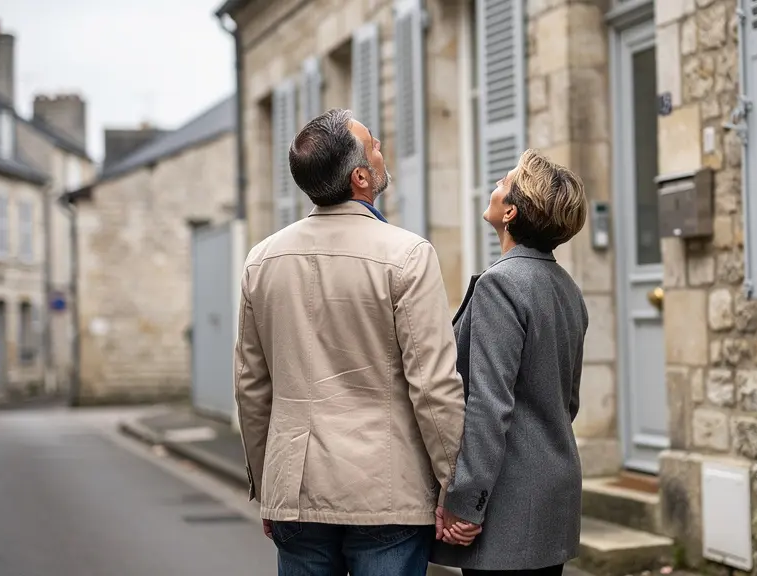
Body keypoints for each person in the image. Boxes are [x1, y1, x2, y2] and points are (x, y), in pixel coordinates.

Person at [234, 108, 466, 576]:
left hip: (295, 488)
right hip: (386, 489)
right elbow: (433, 386)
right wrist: (455, 487)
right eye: (375, 145)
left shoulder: (262, 261)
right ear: (361, 176)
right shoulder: (408, 256)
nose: (382, 149)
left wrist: (268, 485)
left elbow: (251, 388)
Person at [432, 149, 590, 576]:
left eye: (502, 184)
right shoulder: (567, 289)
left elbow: (488, 405)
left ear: (511, 212)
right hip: (553, 493)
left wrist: (465, 503)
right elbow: (567, 402)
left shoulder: (500, 284)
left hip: (508, 505)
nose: (493, 189)